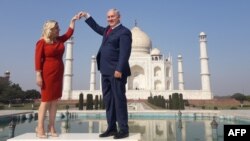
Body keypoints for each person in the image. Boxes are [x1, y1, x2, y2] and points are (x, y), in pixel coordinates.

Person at [78, 9, 132, 139]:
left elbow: (125, 53)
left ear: (119, 17)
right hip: (105, 71)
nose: (110, 19)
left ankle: (124, 129)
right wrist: (87, 16)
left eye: (112, 16)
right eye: (108, 17)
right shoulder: (108, 30)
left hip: (116, 72)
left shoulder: (124, 32)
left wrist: (119, 69)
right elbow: (97, 28)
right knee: (108, 101)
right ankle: (111, 128)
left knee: (119, 100)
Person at [34, 15, 79, 138]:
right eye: (57, 28)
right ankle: (40, 127)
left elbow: (69, 34)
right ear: (51, 29)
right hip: (47, 73)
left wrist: (72, 21)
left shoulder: (59, 40)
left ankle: (51, 126)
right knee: (45, 101)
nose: (59, 30)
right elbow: (38, 59)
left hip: (58, 71)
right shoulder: (41, 42)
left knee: (54, 101)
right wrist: (38, 75)